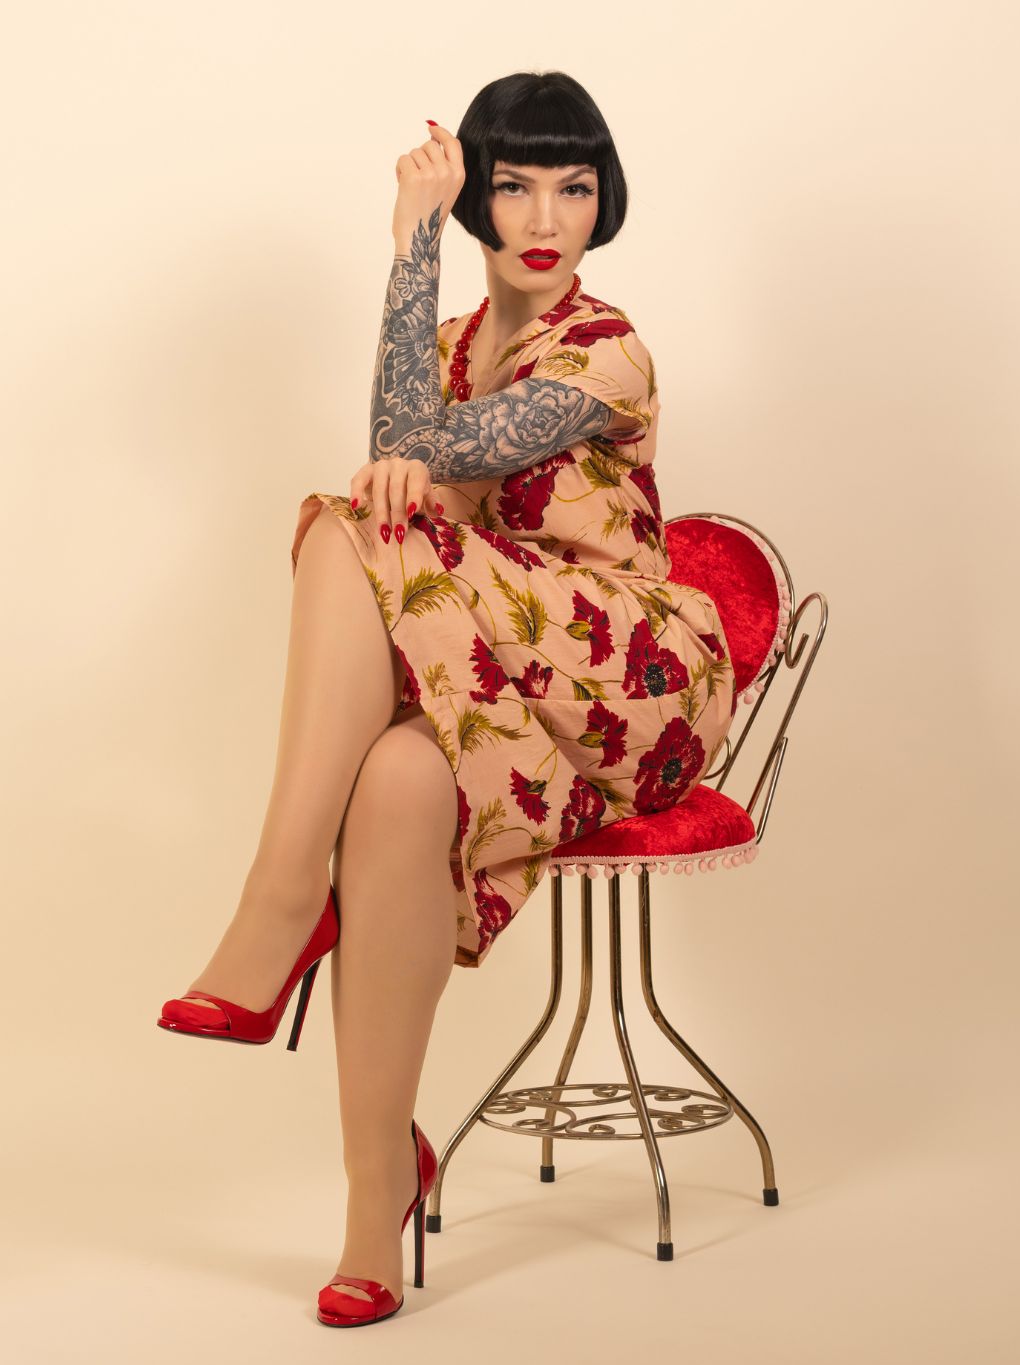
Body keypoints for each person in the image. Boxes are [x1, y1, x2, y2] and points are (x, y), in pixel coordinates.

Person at [156, 70, 736, 1328]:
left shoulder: (607, 349)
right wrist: (422, 255)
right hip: (503, 680)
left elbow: (417, 456)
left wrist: (415, 232)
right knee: (401, 778)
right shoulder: (449, 349)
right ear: (479, 190)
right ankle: (378, 1197)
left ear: (602, 203)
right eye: (513, 183)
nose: (544, 214)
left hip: (629, 680)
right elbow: (402, 439)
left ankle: (277, 902)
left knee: (338, 524)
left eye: (573, 186)